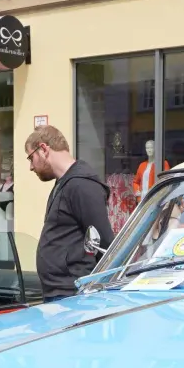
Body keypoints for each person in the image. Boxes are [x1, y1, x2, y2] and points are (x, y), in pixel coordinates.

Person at [25, 125, 114, 298]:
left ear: (43, 149)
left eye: (31, 157)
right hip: (59, 291)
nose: (30, 166)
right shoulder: (64, 183)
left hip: (72, 294)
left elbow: (104, 242)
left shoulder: (82, 185)